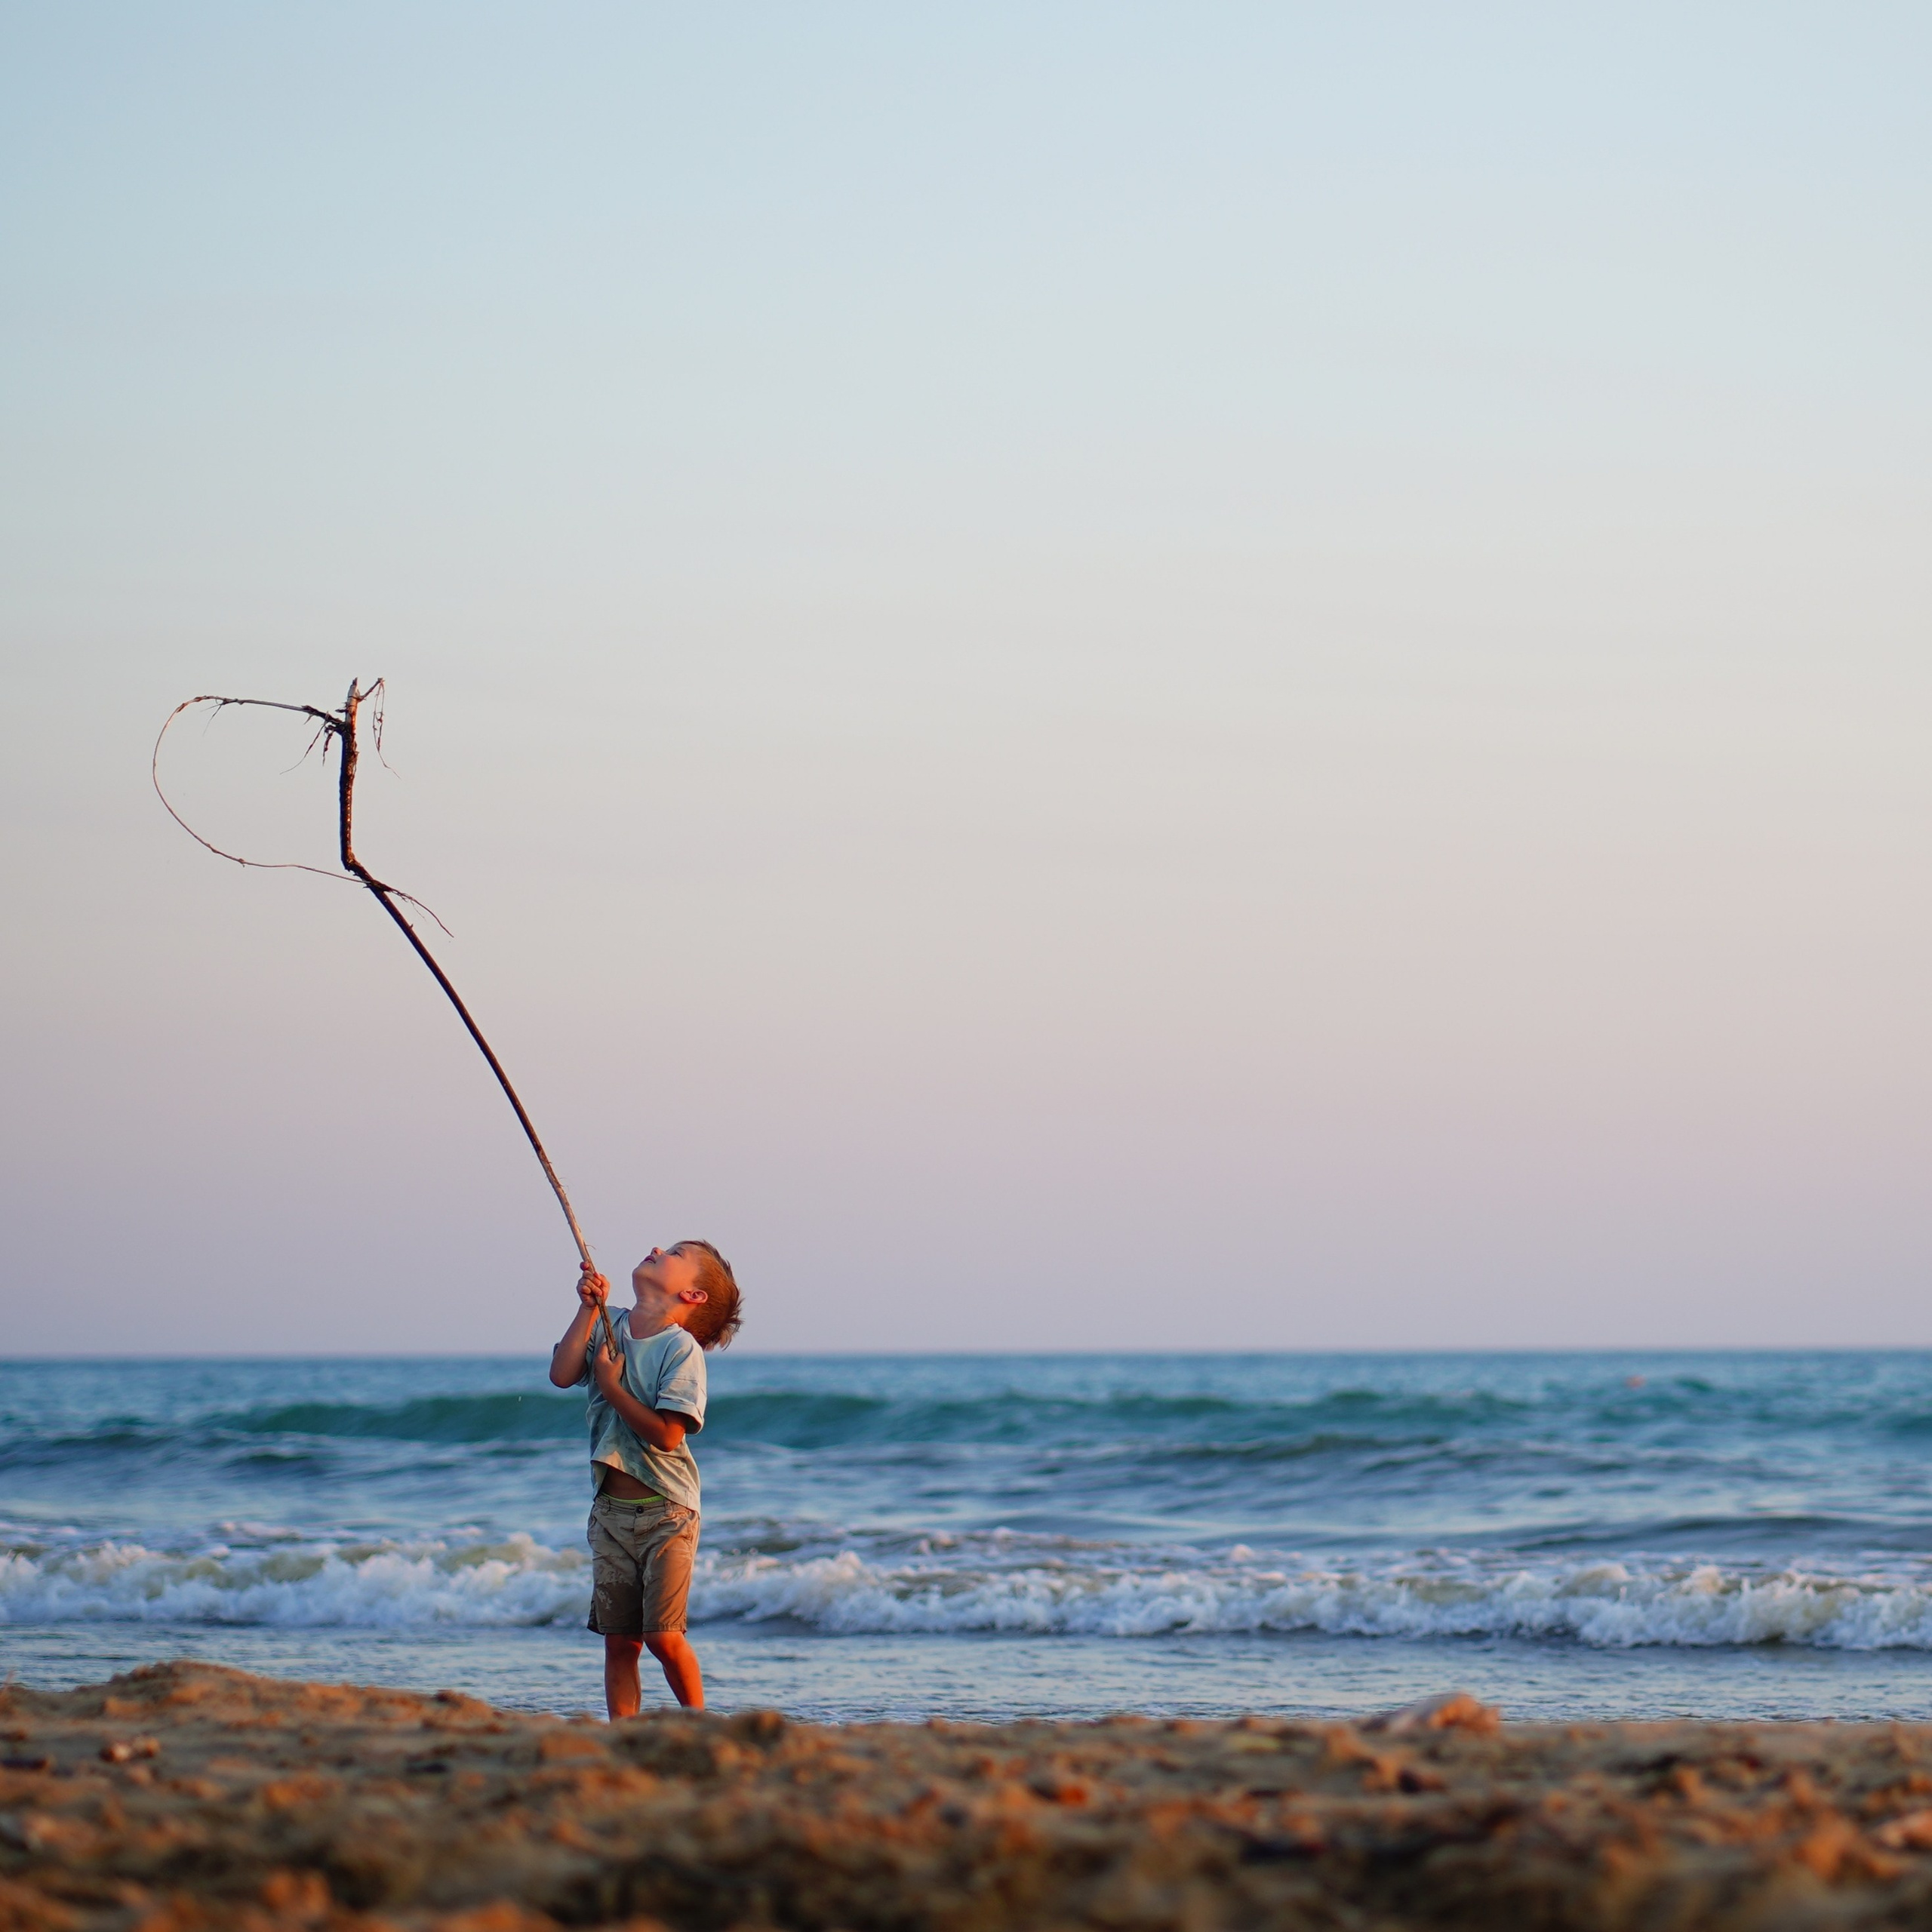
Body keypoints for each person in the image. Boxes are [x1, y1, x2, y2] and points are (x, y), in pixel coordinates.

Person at [548, 1241, 743, 1717]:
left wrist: (612, 1388)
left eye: (675, 1253)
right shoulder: (607, 1323)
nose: (657, 1248)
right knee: (620, 1640)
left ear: (693, 1295)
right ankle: (624, 1736)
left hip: (668, 1511)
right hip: (609, 1511)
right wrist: (587, 1309)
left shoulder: (680, 1350)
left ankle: (698, 1723)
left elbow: (668, 1435)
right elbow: (561, 1374)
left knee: (662, 1635)